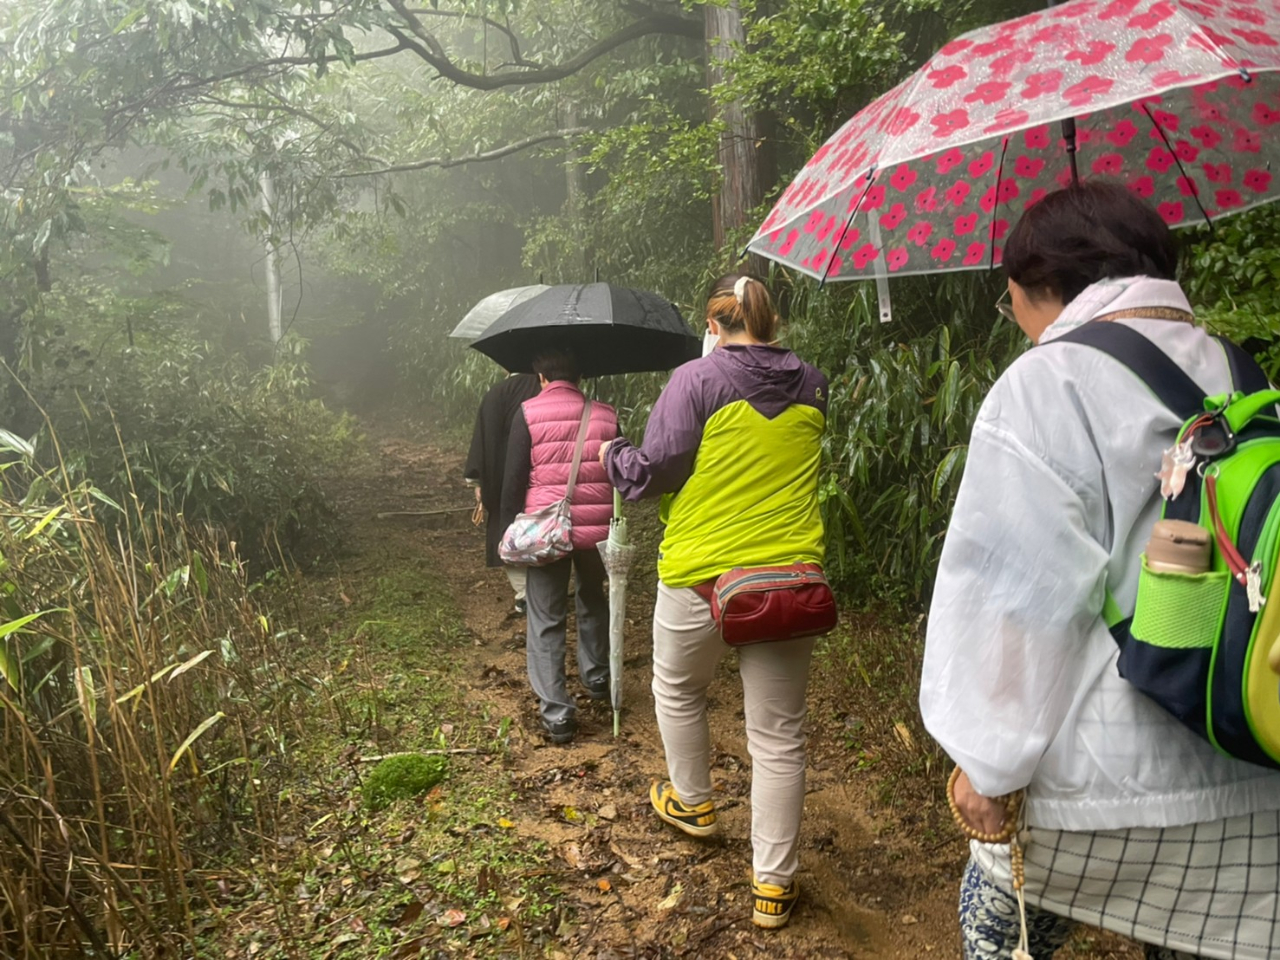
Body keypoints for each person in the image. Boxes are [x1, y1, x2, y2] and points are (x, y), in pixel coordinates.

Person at [920, 182, 1280, 960]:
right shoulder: (1243, 374)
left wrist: (988, 766)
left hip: (1105, 788)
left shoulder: (1046, 384)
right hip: (1255, 763)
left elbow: (1019, 592)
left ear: (1042, 287)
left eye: (1010, 300)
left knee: (995, 926)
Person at [601, 274, 828, 930]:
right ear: (773, 316)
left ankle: (693, 803)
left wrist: (615, 453)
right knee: (779, 733)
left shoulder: (694, 381)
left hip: (701, 571)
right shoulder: (814, 383)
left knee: (676, 689)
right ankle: (773, 887)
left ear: (714, 320)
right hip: (788, 577)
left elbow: (654, 470)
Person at [501, 347, 617, 744]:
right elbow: (618, 472)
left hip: (548, 532)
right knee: (593, 600)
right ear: (580, 376)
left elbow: (514, 479)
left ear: (541, 376)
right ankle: (597, 676)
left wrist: (511, 526)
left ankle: (557, 714)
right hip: (597, 532)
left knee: (546, 617)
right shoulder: (606, 414)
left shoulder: (528, 413)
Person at [464, 370, 541, 614]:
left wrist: (479, 482)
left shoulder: (496, 394)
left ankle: (524, 593)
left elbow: (483, 439)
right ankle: (542, 591)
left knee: (506, 528)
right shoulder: (544, 388)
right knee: (543, 529)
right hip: (541, 476)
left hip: (502, 477)